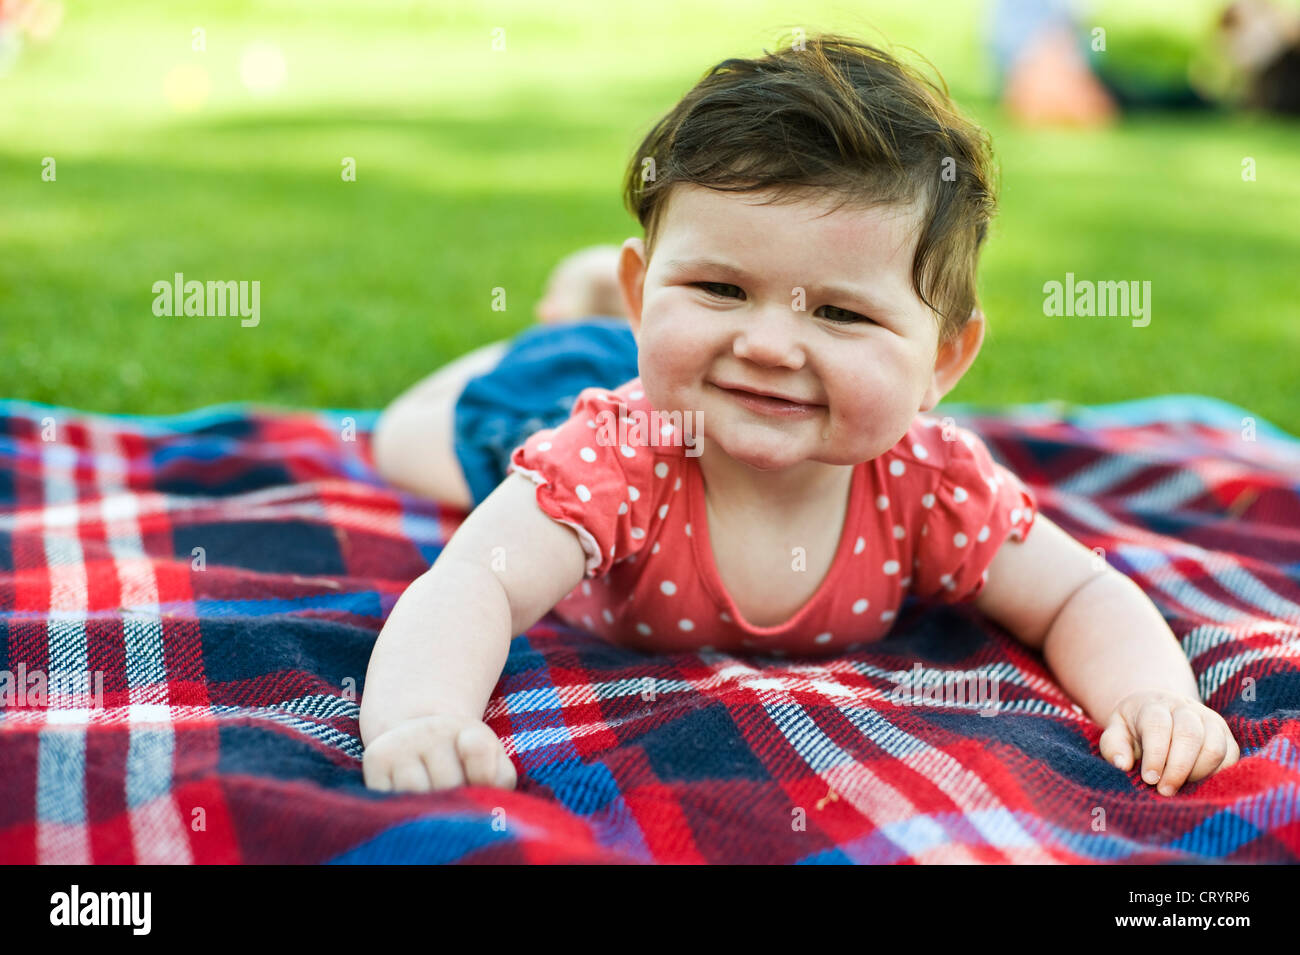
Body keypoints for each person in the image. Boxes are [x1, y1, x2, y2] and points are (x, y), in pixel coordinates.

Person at [360, 34, 1240, 796]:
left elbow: (1079, 593)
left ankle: (608, 310)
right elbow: (473, 581)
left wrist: (1151, 696)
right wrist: (423, 717)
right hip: (537, 415)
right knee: (404, 435)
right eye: (719, 287)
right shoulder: (612, 455)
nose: (770, 346)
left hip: (661, 363)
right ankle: (557, 330)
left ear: (942, 360)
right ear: (647, 293)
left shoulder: (932, 485)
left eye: (840, 312)